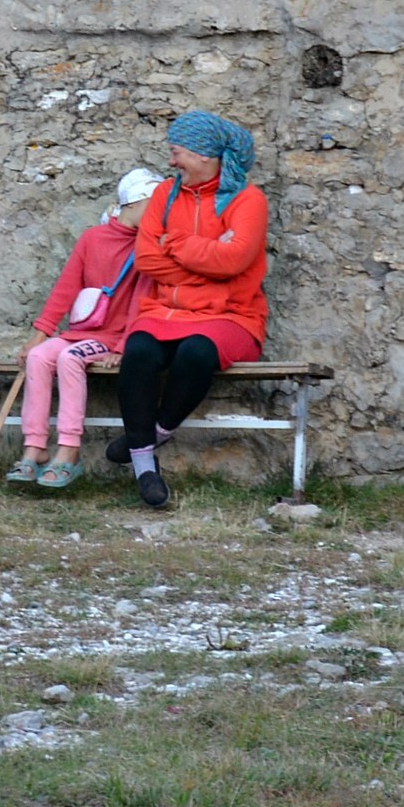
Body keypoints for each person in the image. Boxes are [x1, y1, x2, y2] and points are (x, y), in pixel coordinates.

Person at [108, 112, 270, 509]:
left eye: (176, 152)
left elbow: (234, 261)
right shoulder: (165, 194)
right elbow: (147, 260)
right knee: (140, 351)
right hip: (164, 310)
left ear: (204, 155)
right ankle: (145, 467)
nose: (172, 162)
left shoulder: (248, 200)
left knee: (197, 351)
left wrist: (175, 242)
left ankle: (153, 433)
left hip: (232, 316)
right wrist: (209, 261)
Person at [10, 167, 165, 489]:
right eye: (155, 202)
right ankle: (35, 447)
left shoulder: (148, 247)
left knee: (69, 358)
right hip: (80, 332)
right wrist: (38, 336)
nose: (161, 211)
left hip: (110, 338)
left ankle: (69, 449)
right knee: (39, 357)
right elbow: (65, 289)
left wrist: (124, 345)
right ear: (135, 203)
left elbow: (143, 301)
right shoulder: (92, 238)